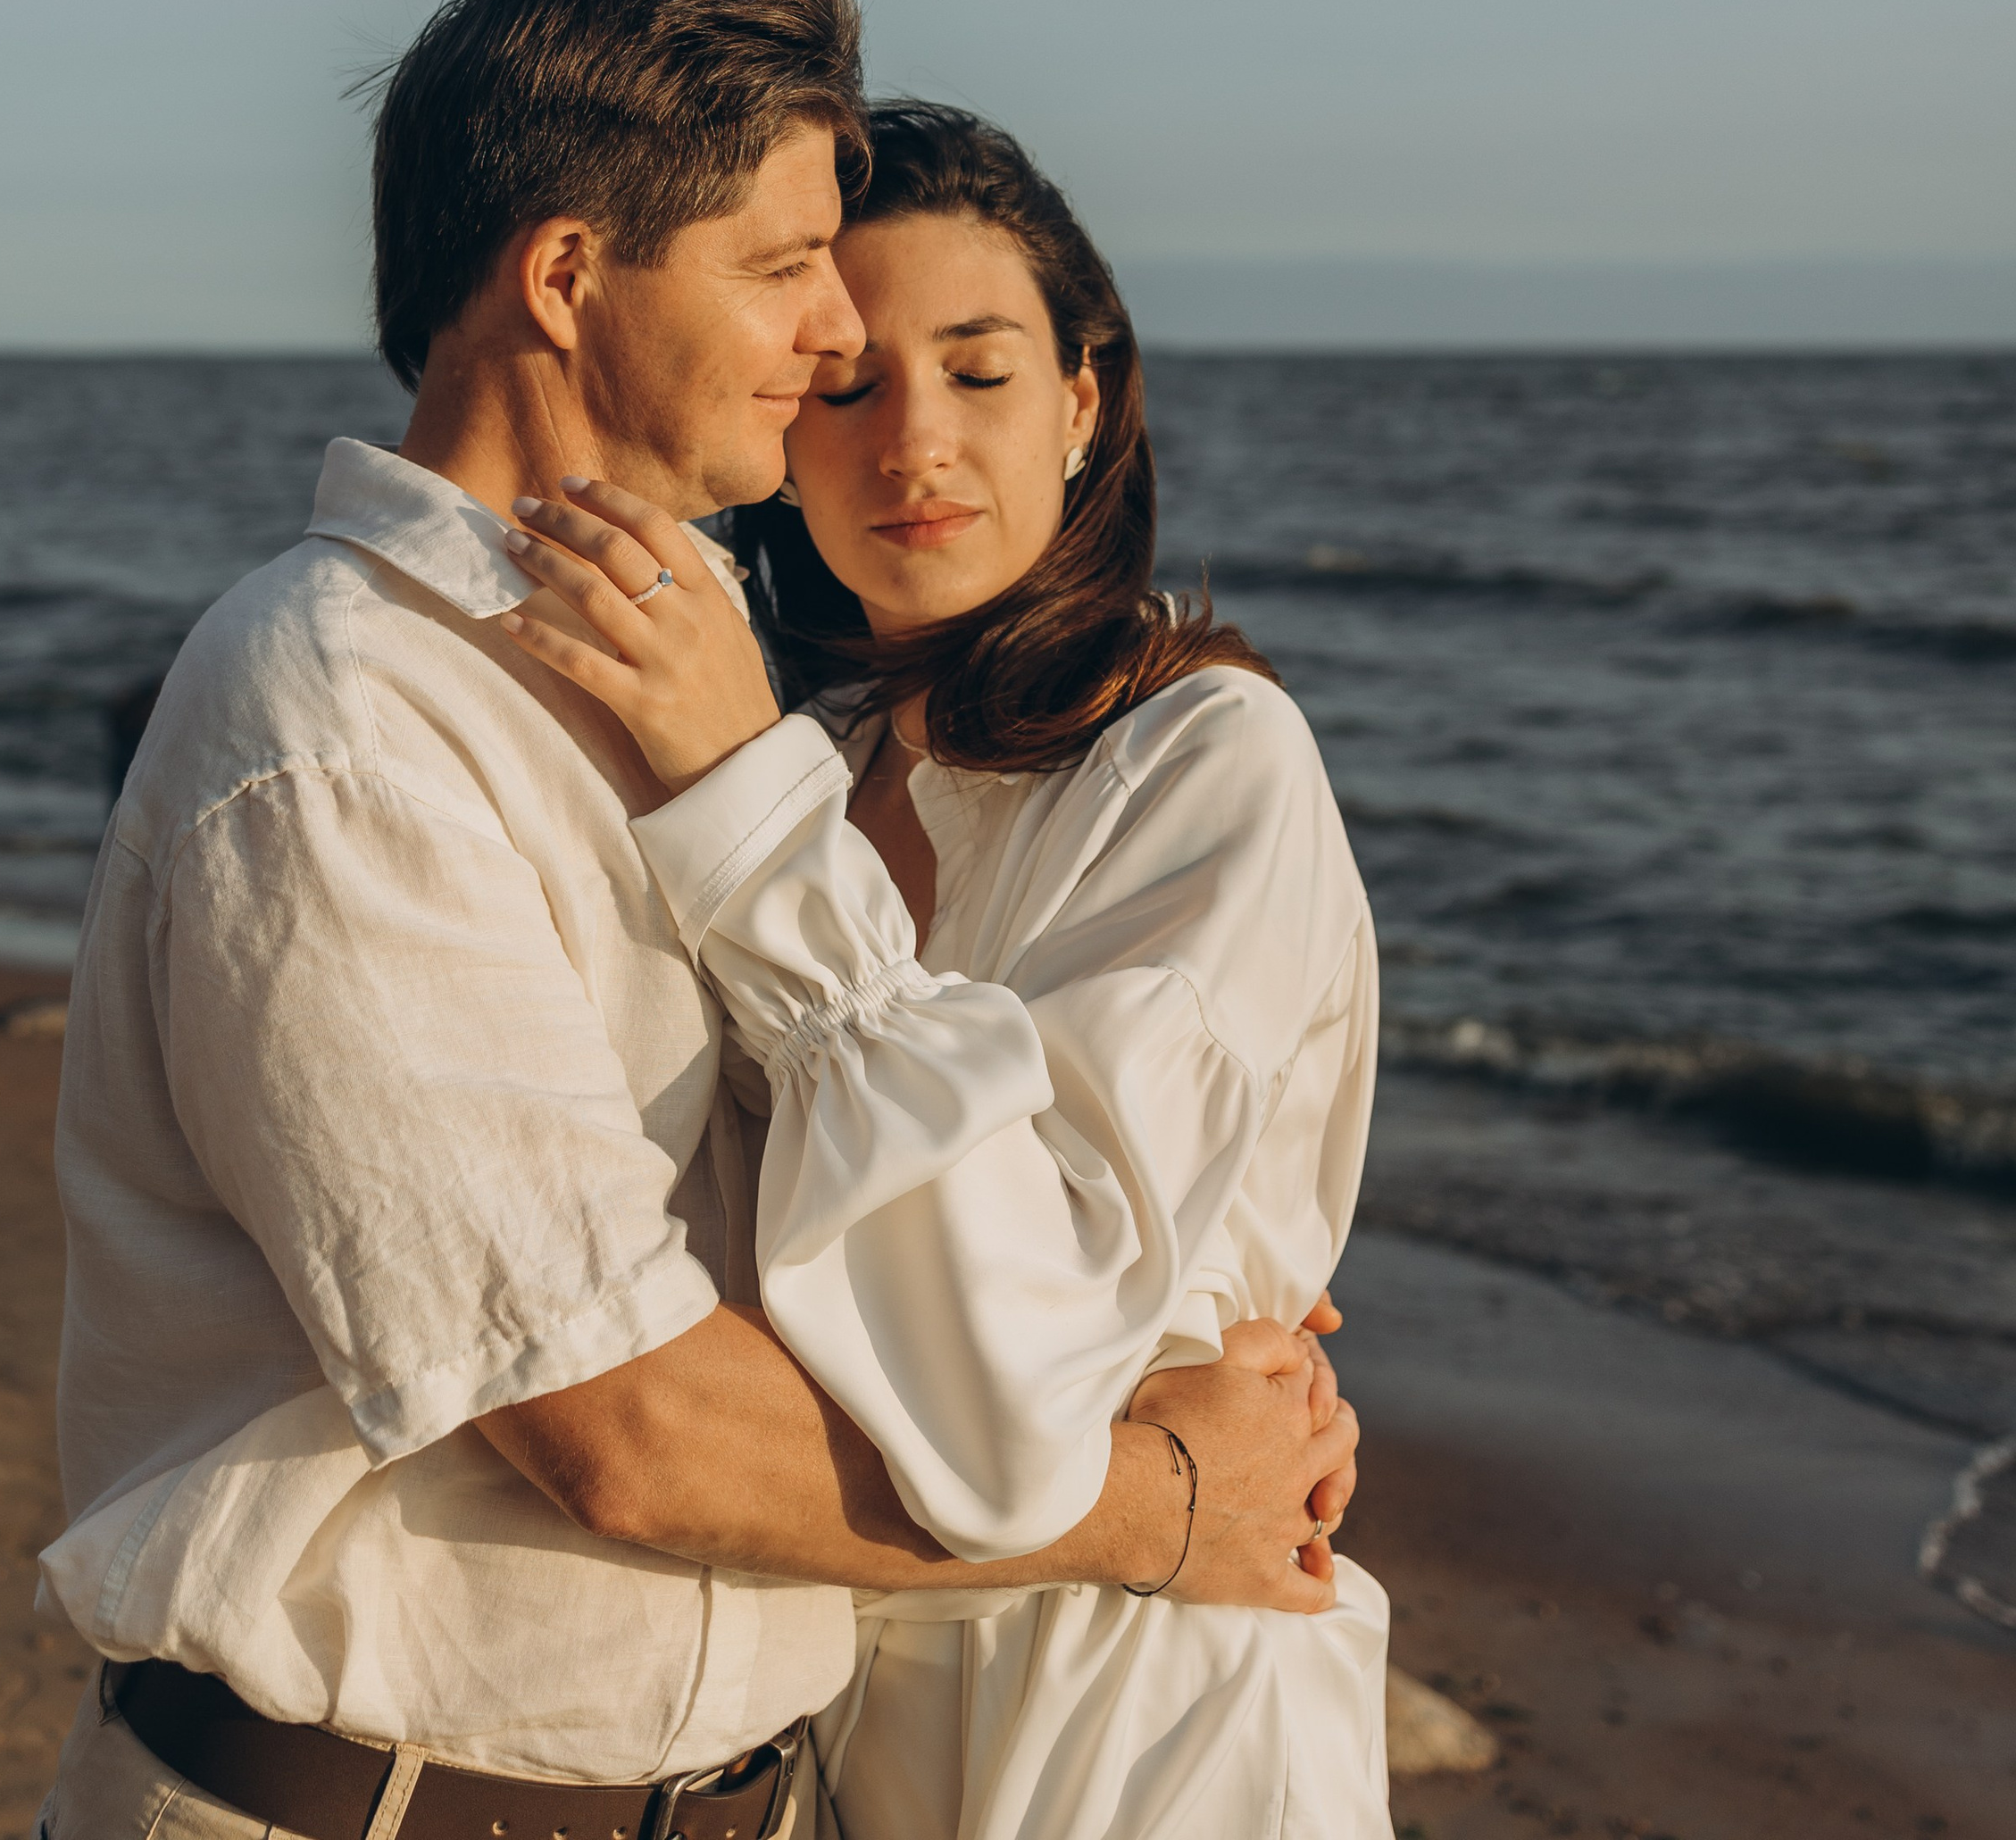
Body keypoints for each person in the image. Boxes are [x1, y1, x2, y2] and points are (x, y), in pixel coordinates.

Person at [36, 0, 1359, 1840]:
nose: (835, 339)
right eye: (783, 267)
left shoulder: (689, 696)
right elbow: (620, 1427)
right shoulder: (347, 724)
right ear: (568, 277)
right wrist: (1156, 1505)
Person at [498, 100, 1387, 1840]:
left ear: (1080, 401)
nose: (911, 440)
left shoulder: (1204, 758)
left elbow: (1020, 1335)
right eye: (844, 383)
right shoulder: (793, 760)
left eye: (977, 372)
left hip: (1138, 1684)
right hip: (830, 1674)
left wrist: (735, 799)